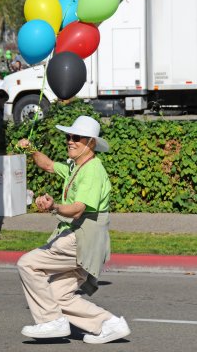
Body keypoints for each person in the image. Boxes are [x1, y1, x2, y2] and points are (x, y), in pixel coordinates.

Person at [17, 115, 131, 344]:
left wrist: (54, 206)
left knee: (27, 264)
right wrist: (31, 150)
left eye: (76, 137)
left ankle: (50, 322)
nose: (70, 141)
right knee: (59, 295)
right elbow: (48, 165)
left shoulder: (92, 171)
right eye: (68, 136)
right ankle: (109, 324)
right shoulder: (76, 166)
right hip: (84, 240)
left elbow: (78, 209)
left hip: (80, 239)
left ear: (90, 142)